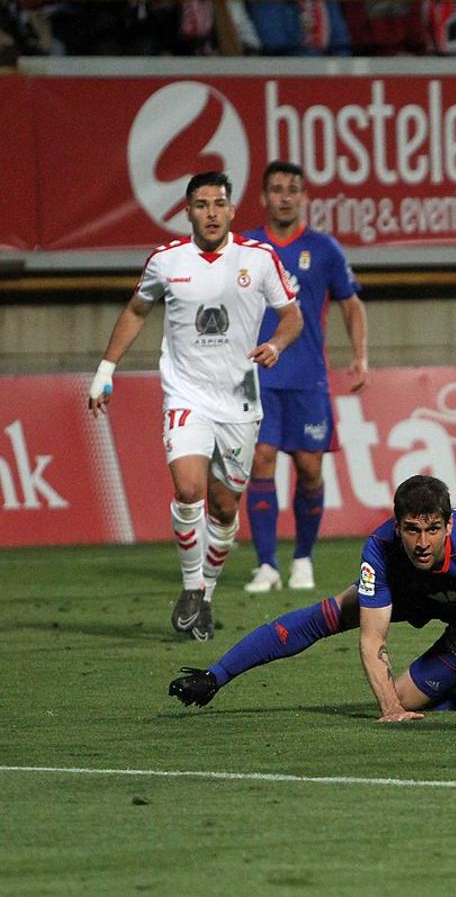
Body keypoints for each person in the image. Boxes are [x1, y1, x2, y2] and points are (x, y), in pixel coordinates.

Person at [88, 171, 302, 642]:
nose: (210, 212)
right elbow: (137, 310)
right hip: (186, 395)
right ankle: (190, 587)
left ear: (230, 210)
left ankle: (204, 597)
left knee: (224, 510)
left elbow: (292, 315)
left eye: (218, 204)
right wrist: (106, 370)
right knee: (189, 489)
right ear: (188, 211)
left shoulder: (259, 259)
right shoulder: (166, 262)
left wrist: (276, 345)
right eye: (201, 204)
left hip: (240, 403)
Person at [170, 475, 456, 720]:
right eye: (412, 530)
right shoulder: (380, 547)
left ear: (449, 525)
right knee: (329, 616)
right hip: (415, 593)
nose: (423, 543)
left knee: (415, 697)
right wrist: (390, 710)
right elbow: (372, 637)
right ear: (397, 525)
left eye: (433, 530)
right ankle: (216, 674)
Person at [241, 161, 368, 595]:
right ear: (263, 197)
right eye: (276, 189)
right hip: (260, 375)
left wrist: (360, 357)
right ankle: (266, 564)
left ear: (304, 197)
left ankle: (302, 558)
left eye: (293, 189)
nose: (285, 197)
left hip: (308, 377)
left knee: (310, 468)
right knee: (260, 459)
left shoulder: (325, 249)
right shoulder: (247, 247)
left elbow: (351, 304)